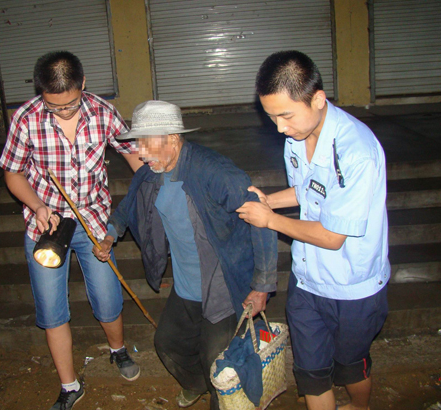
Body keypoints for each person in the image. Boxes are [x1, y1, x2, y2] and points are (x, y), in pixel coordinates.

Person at [92, 100, 278, 410]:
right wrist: (110, 234)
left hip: (222, 285)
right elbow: (126, 207)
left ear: (173, 138)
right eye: (137, 143)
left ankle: (220, 400)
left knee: (217, 364)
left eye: (145, 141)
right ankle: (195, 384)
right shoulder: (151, 172)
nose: (139, 151)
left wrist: (262, 284)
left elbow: (264, 221)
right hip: (186, 285)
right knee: (167, 344)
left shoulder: (213, 171)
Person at [237, 51, 390, 410]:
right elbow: (309, 191)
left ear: (318, 99)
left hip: (354, 287)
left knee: (351, 367)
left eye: (285, 115)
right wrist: (270, 200)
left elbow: (331, 237)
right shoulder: (296, 137)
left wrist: (270, 219)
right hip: (307, 282)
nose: (279, 128)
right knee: (311, 371)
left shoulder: (356, 152)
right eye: (272, 117)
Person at [0, 51, 143, 410]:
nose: (63, 112)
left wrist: (155, 187)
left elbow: (134, 157)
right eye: (53, 106)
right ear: (40, 93)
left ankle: (118, 350)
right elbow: (13, 173)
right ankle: (69, 385)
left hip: (93, 220)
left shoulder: (103, 112)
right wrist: (37, 205)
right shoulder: (25, 118)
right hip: (46, 224)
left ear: (83, 86)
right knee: (52, 310)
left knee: (108, 299)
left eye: (71, 104)